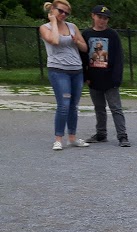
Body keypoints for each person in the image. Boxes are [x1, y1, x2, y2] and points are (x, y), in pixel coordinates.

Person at [39, 0, 90, 150]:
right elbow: (54, 40)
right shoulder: (45, 27)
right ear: (52, 10)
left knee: (73, 105)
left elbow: (85, 48)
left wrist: (76, 41)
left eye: (66, 13)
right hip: (58, 70)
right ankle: (58, 139)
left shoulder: (72, 27)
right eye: (60, 11)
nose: (63, 14)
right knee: (64, 105)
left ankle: (72, 138)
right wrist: (54, 22)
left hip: (76, 70)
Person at [82, 5, 130, 147]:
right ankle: (101, 134)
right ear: (93, 16)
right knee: (99, 107)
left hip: (109, 77)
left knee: (116, 108)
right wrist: (85, 75)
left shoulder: (112, 35)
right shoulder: (86, 34)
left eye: (105, 18)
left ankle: (122, 136)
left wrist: (117, 77)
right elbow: (83, 56)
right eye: (99, 17)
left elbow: (118, 57)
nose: (102, 20)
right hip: (94, 76)